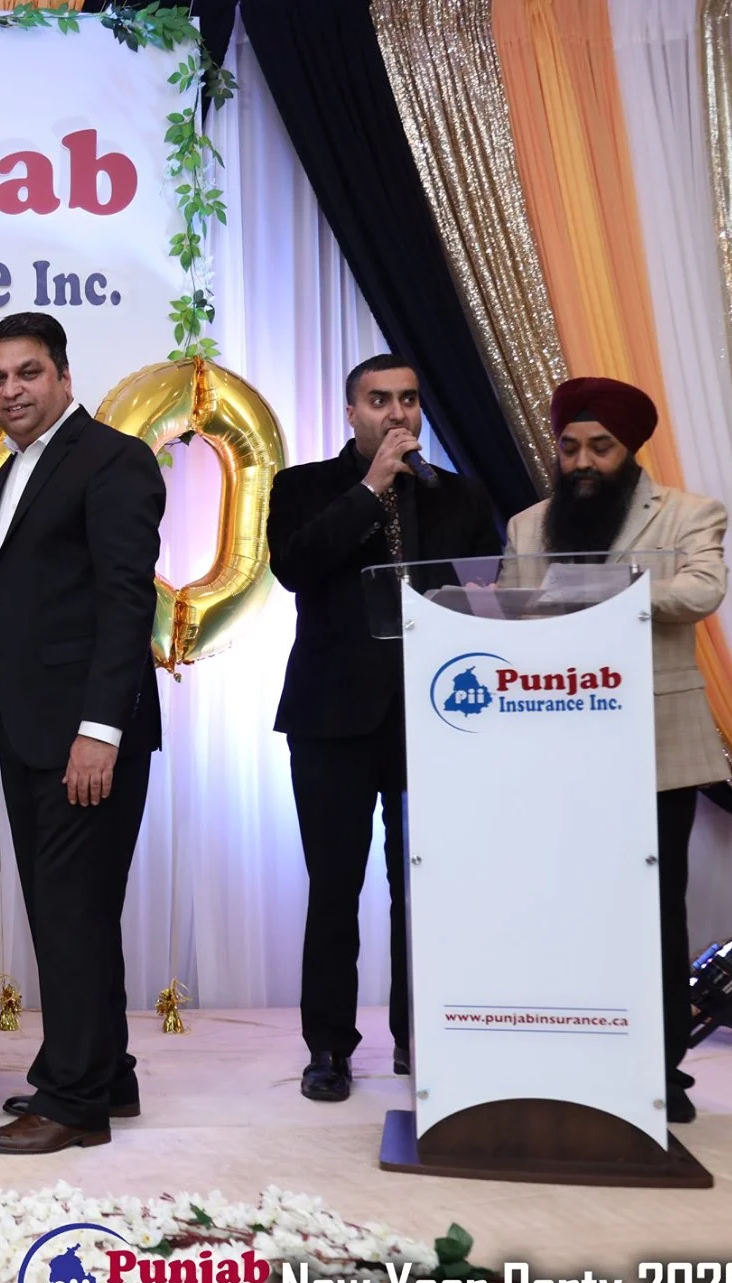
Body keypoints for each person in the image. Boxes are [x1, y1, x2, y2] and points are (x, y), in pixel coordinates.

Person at [0, 312, 164, 1154]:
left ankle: (73, 1102)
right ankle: (105, 1074)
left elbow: (126, 599)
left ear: (65, 377)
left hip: (83, 736)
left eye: (28, 372)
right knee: (69, 911)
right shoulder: (17, 467)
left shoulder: (112, 458)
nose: (11, 390)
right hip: (28, 728)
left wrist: (99, 730)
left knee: (72, 914)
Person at [267, 354, 499, 1103]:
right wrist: (370, 489)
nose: (397, 414)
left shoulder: (460, 495)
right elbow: (296, 566)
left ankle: (419, 1036)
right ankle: (329, 1048)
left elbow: (486, 594)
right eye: (378, 401)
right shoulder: (302, 486)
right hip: (332, 718)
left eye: (408, 399)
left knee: (422, 887)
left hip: (435, 716)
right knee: (334, 887)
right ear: (350, 412)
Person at [505, 376, 727, 1124]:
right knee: (568, 905)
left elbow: (702, 590)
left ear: (629, 449)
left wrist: (604, 591)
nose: (582, 462)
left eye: (600, 447)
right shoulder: (528, 526)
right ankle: (574, 1054)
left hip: (656, 746)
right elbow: (510, 617)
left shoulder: (689, 513)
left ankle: (662, 1066)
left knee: (654, 909)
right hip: (558, 747)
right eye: (570, 447)